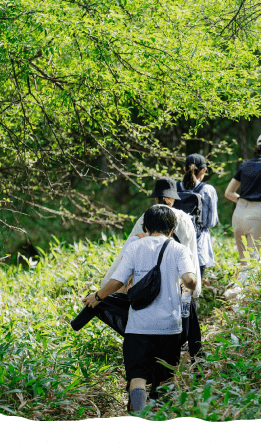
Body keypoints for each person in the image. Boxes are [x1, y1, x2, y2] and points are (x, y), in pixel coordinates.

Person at [82, 204, 197, 412]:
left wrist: (97, 297)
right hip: (169, 328)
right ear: (172, 229)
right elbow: (190, 279)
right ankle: (160, 419)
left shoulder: (135, 246)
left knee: (137, 376)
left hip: (138, 327)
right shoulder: (179, 249)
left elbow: (118, 280)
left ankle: (139, 419)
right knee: (167, 376)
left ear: (145, 227)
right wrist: (189, 286)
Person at [101, 178, 201, 299]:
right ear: (173, 199)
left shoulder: (147, 217)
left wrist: (106, 286)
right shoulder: (185, 219)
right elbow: (191, 255)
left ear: (156, 198)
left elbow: (127, 253)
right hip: (178, 282)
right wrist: (194, 290)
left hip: (147, 283)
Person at [224, 132, 261, 262]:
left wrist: (243, 200)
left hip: (239, 213)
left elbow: (228, 193)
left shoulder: (245, 165)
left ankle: (241, 282)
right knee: (258, 261)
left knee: (244, 261)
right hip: (258, 214)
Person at [177, 153, 219, 289]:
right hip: (199, 247)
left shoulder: (175, 188)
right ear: (204, 170)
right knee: (193, 288)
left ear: (184, 169)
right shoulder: (207, 190)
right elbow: (210, 222)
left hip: (176, 244)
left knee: (176, 286)